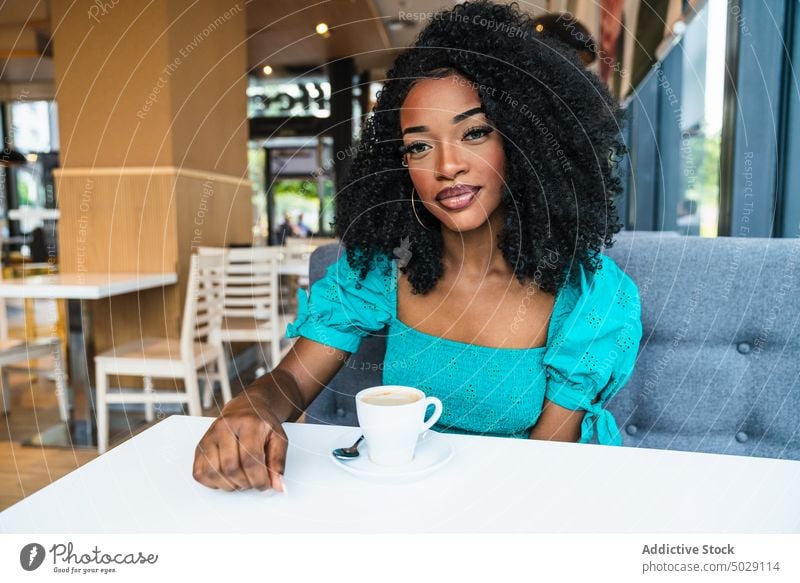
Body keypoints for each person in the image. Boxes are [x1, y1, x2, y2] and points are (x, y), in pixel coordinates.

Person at [193, 0, 642, 493]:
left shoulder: (587, 299)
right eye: (419, 146)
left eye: (474, 133)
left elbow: (536, 469)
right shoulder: (384, 270)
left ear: (523, 143)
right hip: (402, 501)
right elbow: (292, 381)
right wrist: (251, 406)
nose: (446, 165)